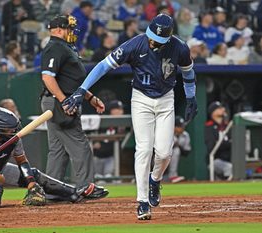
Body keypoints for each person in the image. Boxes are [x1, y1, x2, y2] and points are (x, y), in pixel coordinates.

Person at [62, 14, 198, 220]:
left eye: (159, 40)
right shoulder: (135, 44)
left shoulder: (180, 48)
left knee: (164, 152)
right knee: (143, 149)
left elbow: (188, 72)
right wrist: (82, 90)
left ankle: (155, 180)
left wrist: (191, 97)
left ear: (169, 38)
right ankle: (142, 201)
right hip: (141, 98)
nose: (153, 42)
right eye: (152, 37)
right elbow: (102, 66)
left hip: (166, 99)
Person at [0, 107, 108, 208]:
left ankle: (74, 193)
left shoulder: (13, 140)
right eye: (9, 130)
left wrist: (31, 182)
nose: (14, 132)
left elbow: (21, 160)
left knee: (33, 174)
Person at [40, 15, 106, 187]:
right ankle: (86, 187)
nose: (72, 32)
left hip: (59, 99)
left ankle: (52, 190)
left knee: (58, 151)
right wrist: (64, 101)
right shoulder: (55, 47)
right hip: (59, 102)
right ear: (59, 30)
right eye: (69, 29)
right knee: (80, 146)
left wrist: (90, 97)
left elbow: (71, 80)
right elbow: (47, 77)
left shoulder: (64, 47)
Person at [93, 100, 124, 181]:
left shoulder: (122, 124)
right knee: (98, 178)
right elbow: (90, 133)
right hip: (98, 156)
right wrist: (95, 142)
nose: (121, 111)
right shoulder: (101, 121)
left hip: (111, 156)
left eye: (121, 109)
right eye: (119, 109)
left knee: (109, 177)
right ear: (112, 110)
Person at [204, 101, 233, 181]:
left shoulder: (227, 125)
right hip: (215, 159)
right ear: (213, 112)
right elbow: (211, 147)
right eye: (219, 108)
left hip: (229, 158)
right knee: (229, 168)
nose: (223, 109)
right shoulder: (209, 127)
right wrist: (226, 143)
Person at [168, 116, 191, 183]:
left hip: (172, 156)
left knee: (176, 150)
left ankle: (173, 176)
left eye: (183, 126)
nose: (182, 128)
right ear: (174, 127)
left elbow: (186, 152)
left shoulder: (185, 135)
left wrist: (178, 145)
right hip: (158, 156)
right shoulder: (167, 133)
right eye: (180, 126)